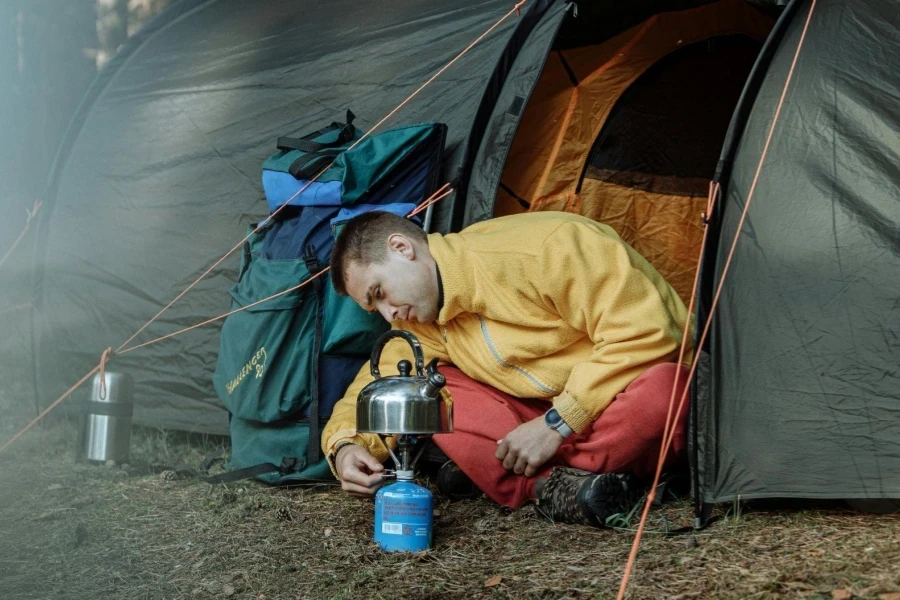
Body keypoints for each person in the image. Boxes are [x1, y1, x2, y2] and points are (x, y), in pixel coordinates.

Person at [321, 210, 692, 527]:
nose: (389, 314)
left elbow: (648, 334)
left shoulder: (546, 247)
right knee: (433, 389)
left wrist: (558, 423)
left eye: (380, 293)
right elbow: (381, 379)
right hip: (535, 420)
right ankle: (562, 486)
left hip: (612, 404)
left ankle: (529, 480)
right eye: (376, 310)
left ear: (402, 248)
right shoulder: (419, 322)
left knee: (668, 388)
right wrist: (344, 445)